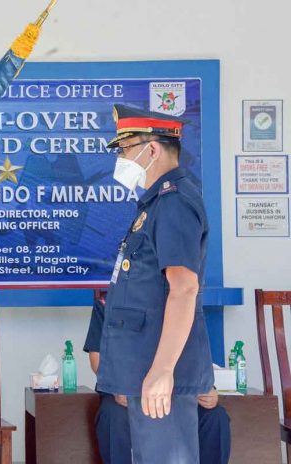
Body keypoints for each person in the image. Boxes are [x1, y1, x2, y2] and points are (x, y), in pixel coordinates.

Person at [96, 104, 215, 463]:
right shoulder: (154, 204)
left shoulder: (174, 203)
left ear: (151, 150)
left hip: (161, 370)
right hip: (145, 367)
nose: (120, 159)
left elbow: (184, 288)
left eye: (125, 150)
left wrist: (163, 371)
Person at [84, 297, 231, 463]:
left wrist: (207, 387)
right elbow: (96, 357)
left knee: (215, 416)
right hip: (126, 390)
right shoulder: (110, 297)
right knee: (113, 415)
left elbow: (196, 351)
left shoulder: (179, 296)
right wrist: (118, 387)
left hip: (177, 391)